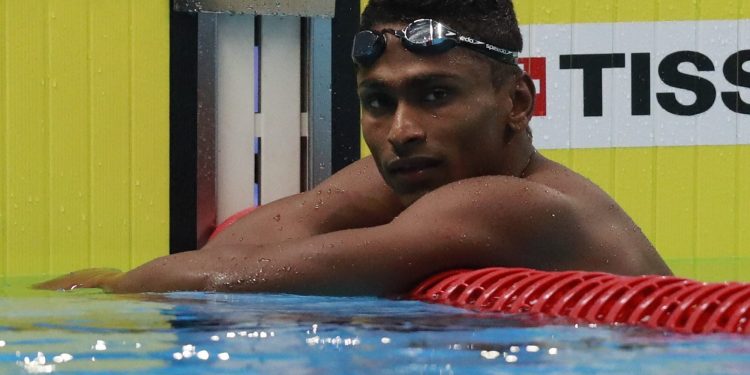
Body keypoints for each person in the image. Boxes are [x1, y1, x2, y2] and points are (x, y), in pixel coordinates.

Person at [36, 0, 671, 295]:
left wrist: (107, 290)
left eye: (435, 95)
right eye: (378, 101)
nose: (400, 130)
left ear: (515, 103)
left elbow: (240, 277)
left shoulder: (509, 202)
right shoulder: (419, 173)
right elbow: (239, 246)